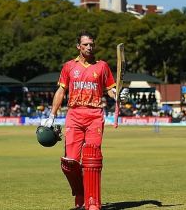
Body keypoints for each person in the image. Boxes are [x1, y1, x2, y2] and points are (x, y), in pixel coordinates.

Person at [40, 31, 128, 210]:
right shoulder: (69, 66)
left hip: (95, 115)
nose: (89, 47)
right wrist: (51, 115)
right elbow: (60, 91)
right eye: (86, 44)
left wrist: (119, 95)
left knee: (92, 160)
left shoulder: (102, 66)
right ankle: (80, 196)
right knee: (69, 162)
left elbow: (110, 90)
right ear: (78, 46)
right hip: (74, 114)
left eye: (91, 44)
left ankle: (92, 202)